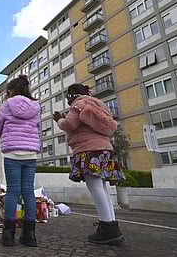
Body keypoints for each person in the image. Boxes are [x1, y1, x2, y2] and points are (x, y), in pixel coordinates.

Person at [53, 84, 125, 245]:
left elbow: (69, 125)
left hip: (88, 150)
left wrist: (59, 120)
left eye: (67, 97)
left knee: (96, 188)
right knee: (103, 188)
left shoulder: (78, 104)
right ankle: (112, 225)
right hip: (105, 149)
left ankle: (107, 228)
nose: (68, 101)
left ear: (72, 95)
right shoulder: (98, 104)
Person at [0, 75, 40, 247]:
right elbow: (37, 128)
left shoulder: (7, 105)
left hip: (12, 153)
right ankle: (30, 234)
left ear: (11, 91)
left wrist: (6, 133)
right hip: (30, 155)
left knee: (13, 191)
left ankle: (8, 234)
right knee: (28, 191)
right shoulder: (36, 107)